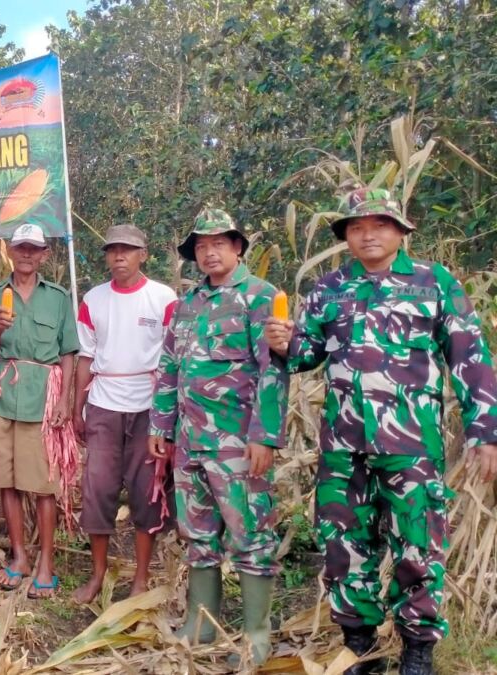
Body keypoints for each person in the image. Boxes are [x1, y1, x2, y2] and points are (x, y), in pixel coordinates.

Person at [264, 188, 497, 675]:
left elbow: (471, 358)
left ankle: (417, 649)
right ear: (346, 236)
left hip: (410, 443)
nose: (367, 234)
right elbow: (308, 355)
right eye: (355, 227)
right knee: (345, 545)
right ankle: (361, 646)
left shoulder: (434, 282)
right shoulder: (330, 288)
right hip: (343, 446)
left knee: (418, 542)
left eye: (379, 224)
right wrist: (285, 343)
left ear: (400, 231)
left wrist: (485, 431)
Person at [147, 209, 288, 666]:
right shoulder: (188, 303)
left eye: (219, 243)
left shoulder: (260, 298)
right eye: (202, 246)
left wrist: (265, 436)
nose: (210, 252)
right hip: (190, 441)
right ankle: (202, 623)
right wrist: (160, 428)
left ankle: (255, 635)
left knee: (250, 536)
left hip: (237, 443)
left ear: (238, 247)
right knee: (198, 535)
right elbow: (170, 367)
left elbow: (273, 369)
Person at [72, 224, 177, 604]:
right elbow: (86, 356)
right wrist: (76, 409)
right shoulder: (93, 299)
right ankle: (98, 574)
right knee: (97, 490)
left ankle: (141, 579)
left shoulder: (163, 297)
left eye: (127, 250)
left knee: (145, 491)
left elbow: (173, 358)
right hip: (103, 403)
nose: (119, 257)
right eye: (113, 250)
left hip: (148, 407)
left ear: (143, 254)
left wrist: (169, 417)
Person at [0, 223, 80, 599]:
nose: (26, 254)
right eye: (20, 247)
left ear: (44, 255)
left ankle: (47, 563)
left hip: (43, 398)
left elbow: (69, 352)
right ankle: (19, 556)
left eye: (33, 249)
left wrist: (66, 401)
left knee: (41, 485)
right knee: (6, 480)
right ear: (9, 250)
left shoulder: (57, 297)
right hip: (2, 396)